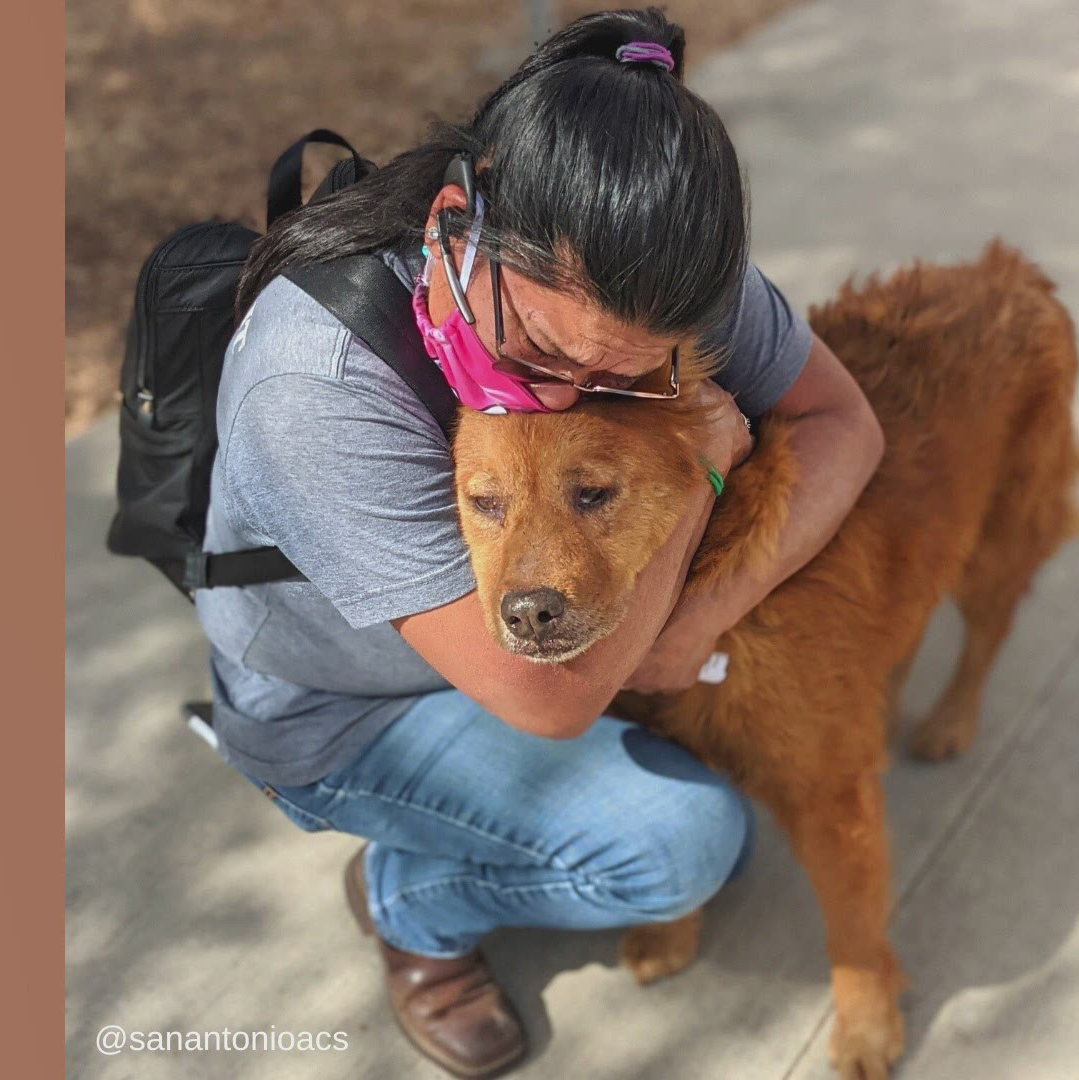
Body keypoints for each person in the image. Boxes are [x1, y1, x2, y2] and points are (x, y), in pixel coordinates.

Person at [198, 9, 883, 1076]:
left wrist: (690, 621)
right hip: (345, 703)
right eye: (539, 349)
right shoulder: (313, 384)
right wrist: (699, 455)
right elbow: (549, 698)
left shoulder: (651, 285)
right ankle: (411, 904)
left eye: (623, 377)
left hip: (556, 641)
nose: (561, 398)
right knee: (684, 845)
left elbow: (848, 426)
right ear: (454, 222)